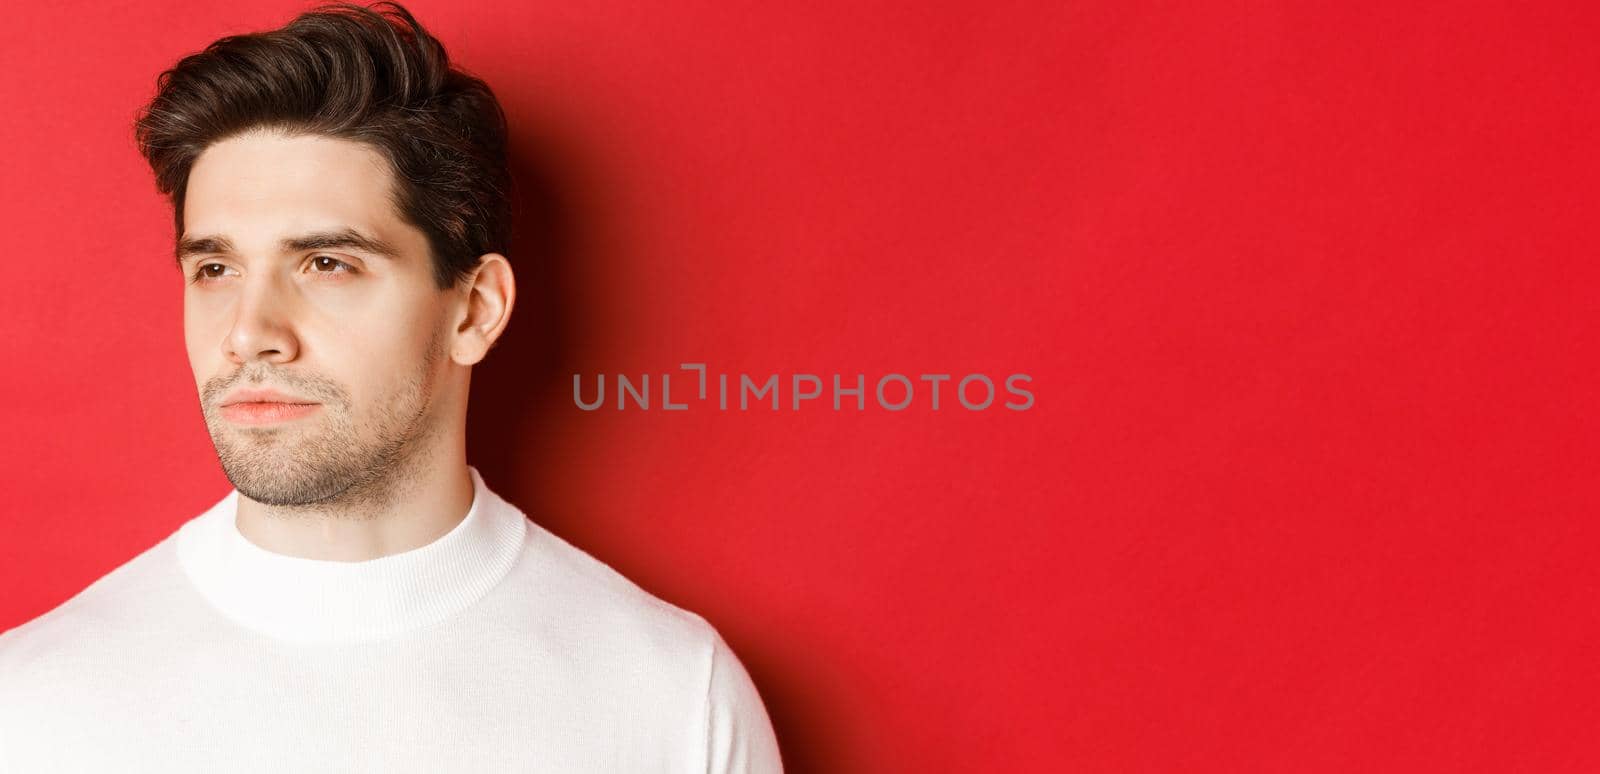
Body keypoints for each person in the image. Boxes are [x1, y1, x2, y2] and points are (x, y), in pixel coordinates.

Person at [0, 3, 784, 771]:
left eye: (327, 264)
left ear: (474, 310)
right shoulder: (31, 706)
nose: (247, 332)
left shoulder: (674, 700)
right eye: (215, 269)